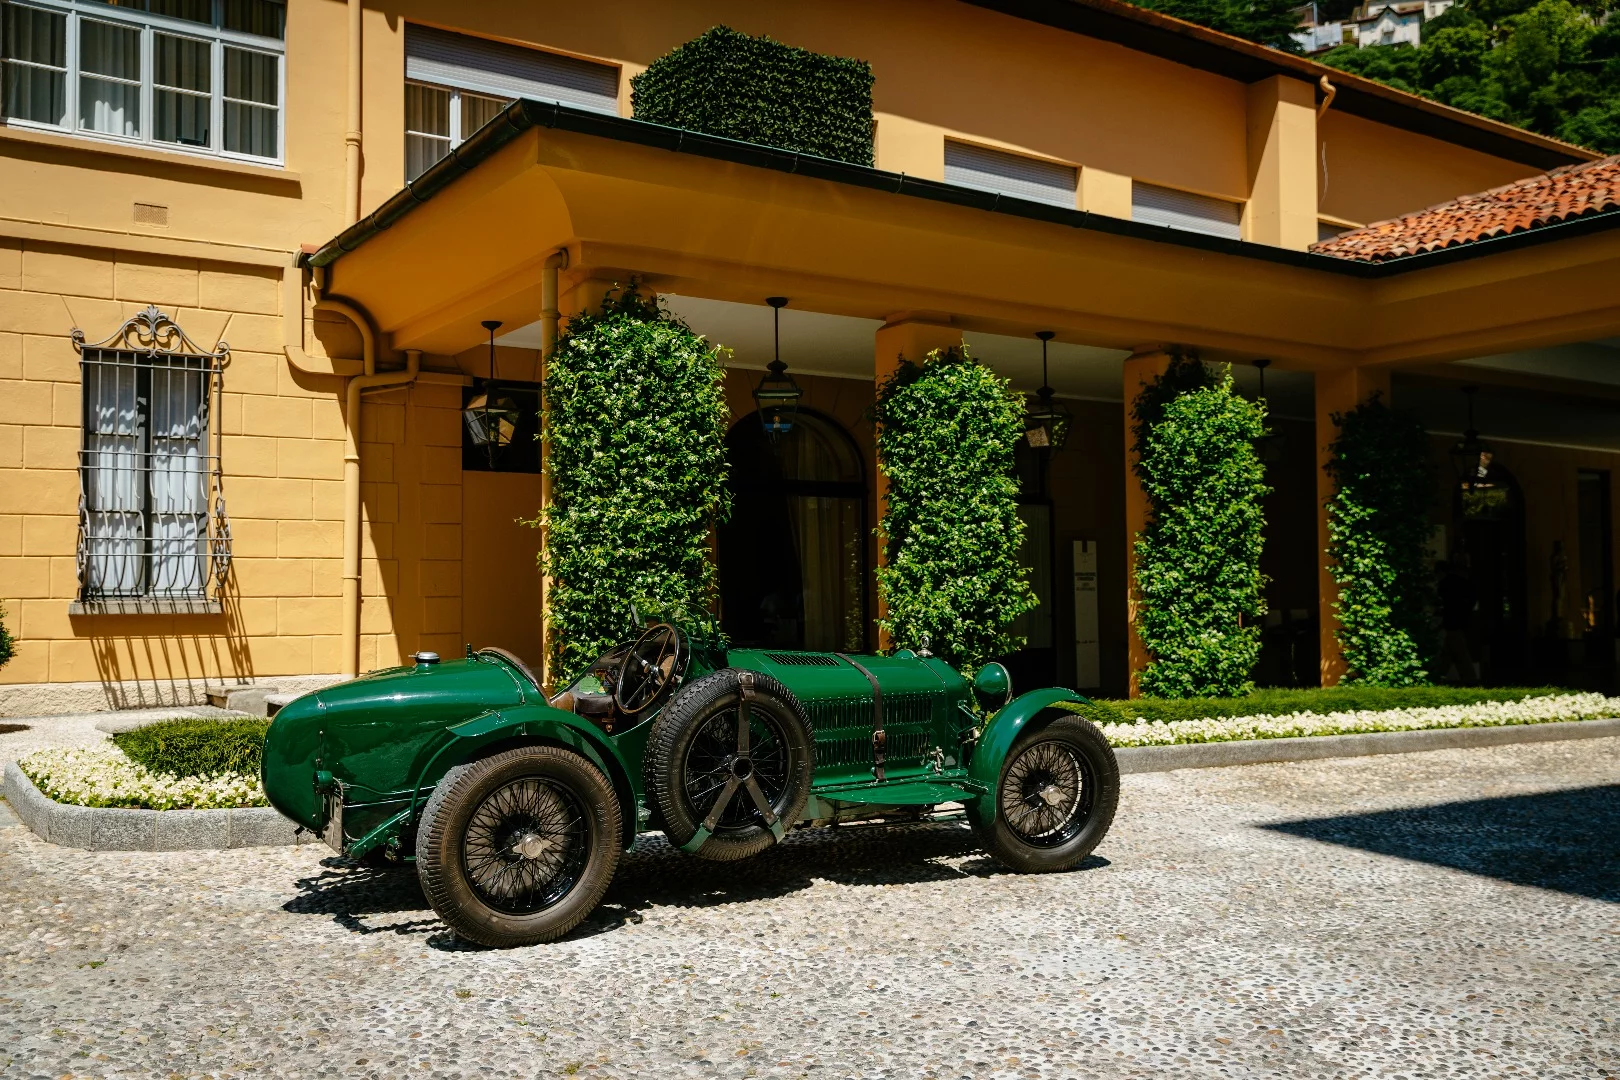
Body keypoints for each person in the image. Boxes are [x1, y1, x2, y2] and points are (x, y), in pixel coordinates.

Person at [1437, 556, 1479, 685]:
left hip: (1453, 621)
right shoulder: (1464, 583)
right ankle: (1440, 674)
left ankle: (1469, 678)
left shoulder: (1446, 584)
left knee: (1458, 650)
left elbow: (1444, 602)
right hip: (1461, 620)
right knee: (1451, 649)